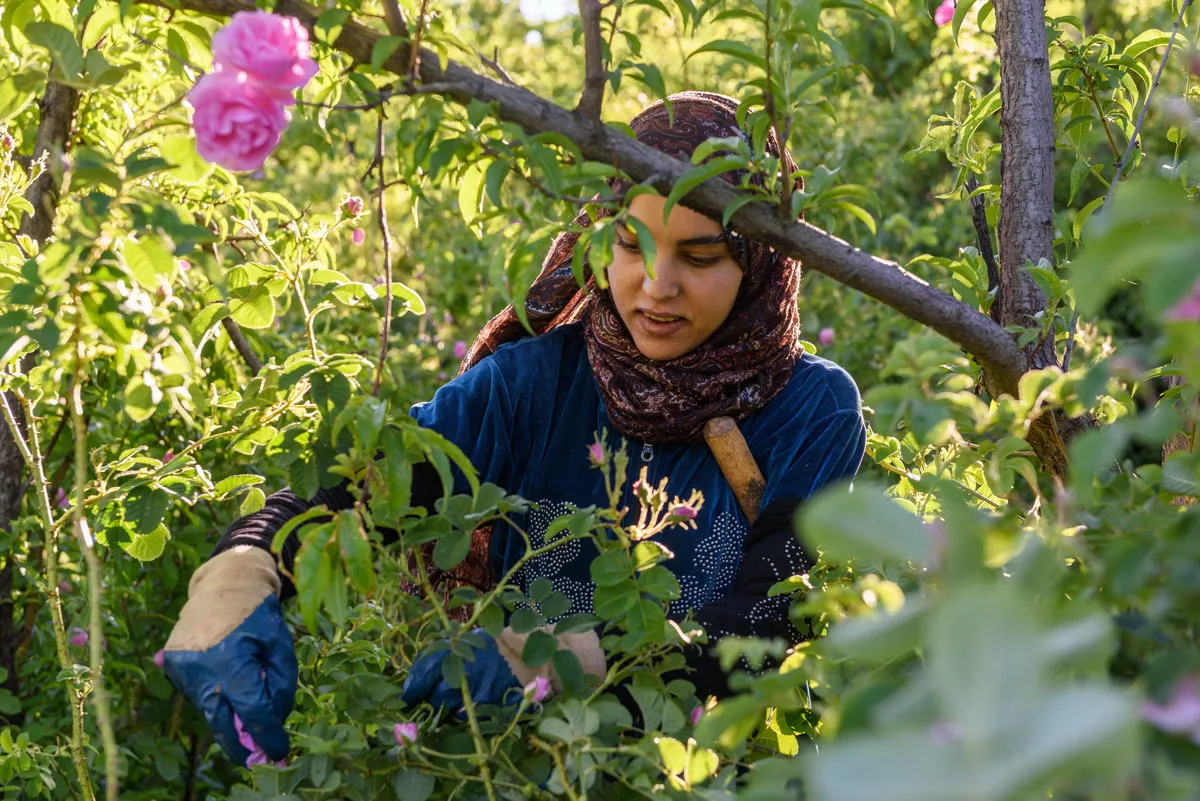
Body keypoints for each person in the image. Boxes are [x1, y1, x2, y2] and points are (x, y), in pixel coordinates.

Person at [162, 91, 866, 766]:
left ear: (762, 265)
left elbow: (768, 620)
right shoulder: (535, 383)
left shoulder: (808, 409)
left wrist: (563, 658)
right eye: (631, 243)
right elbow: (365, 488)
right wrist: (240, 573)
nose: (657, 284)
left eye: (701, 256)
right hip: (519, 765)